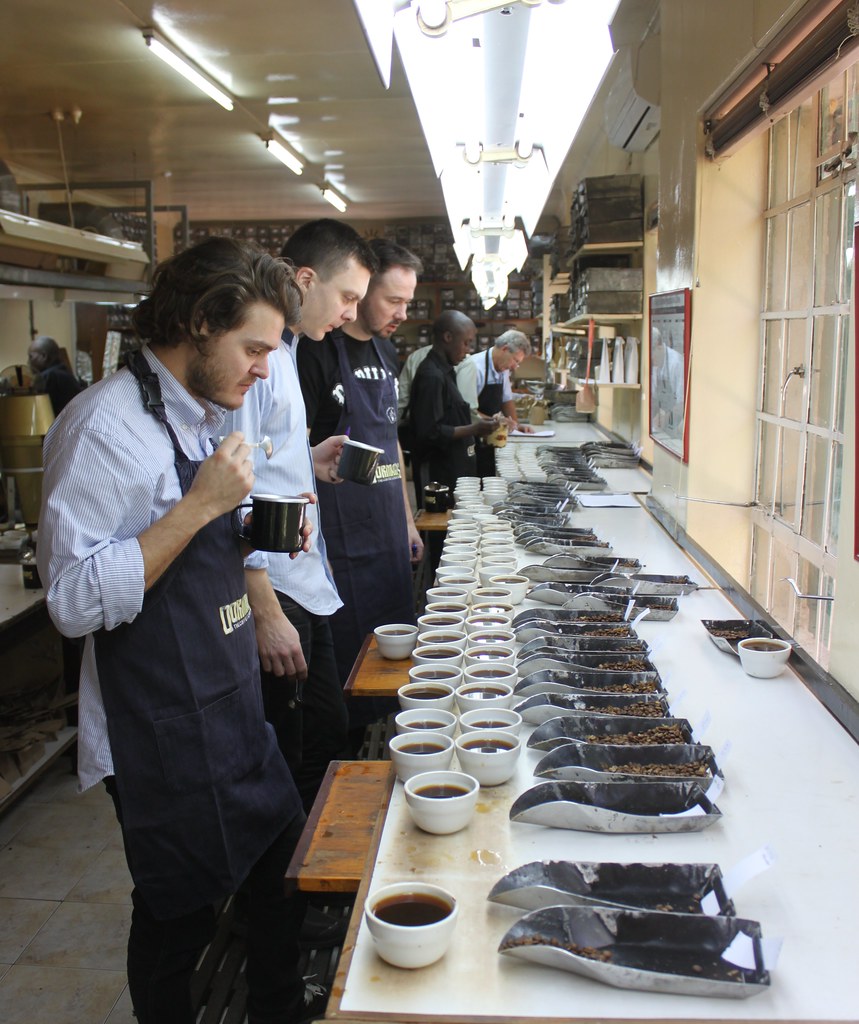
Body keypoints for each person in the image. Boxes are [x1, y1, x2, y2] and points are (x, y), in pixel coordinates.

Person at [36, 237, 326, 1024]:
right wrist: (200, 506)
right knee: (179, 913)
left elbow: (201, 537)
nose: (264, 369)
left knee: (277, 868)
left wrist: (251, 525)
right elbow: (70, 599)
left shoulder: (201, 413)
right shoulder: (102, 429)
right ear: (200, 322)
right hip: (158, 726)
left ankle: (275, 1009)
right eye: (254, 347)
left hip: (228, 699)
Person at [224, 219, 377, 811]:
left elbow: (264, 462)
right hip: (276, 584)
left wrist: (306, 461)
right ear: (305, 278)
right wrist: (263, 610)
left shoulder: (288, 353)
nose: (349, 313)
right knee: (299, 746)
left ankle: (304, 873)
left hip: (304, 576)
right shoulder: (260, 359)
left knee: (325, 730)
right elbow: (232, 488)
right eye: (347, 298)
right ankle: (290, 888)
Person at [297, 237, 424, 685]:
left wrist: (407, 520)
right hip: (341, 531)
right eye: (393, 300)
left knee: (395, 655)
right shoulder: (315, 351)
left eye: (408, 302)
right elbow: (297, 457)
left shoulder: (387, 352)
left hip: (387, 524)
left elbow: (391, 439)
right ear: (364, 291)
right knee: (349, 661)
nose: (402, 314)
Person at [407, 310, 497, 494]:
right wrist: (474, 429)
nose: (469, 349)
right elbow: (430, 432)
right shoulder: (432, 376)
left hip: (455, 468)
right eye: (466, 342)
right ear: (448, 337)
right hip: (438, 474)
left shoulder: (447, 371)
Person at [457, 329, 534, 476]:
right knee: (473, 478)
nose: (514, 367)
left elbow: (507, 399)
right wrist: (496, 421)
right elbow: (465, 409)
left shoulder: (503, 369)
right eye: (515, 361)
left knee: (489, 476)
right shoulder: (474, 367)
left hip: (490, 434)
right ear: (505, 349)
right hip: (470, 434)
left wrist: (515, 426)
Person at [27, 334, 84, 414]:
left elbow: (43, 412)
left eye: (31, 357)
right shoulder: (64, 373)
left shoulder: (49, 377)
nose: (28, 362)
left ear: (44, 356)